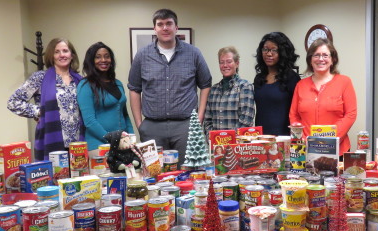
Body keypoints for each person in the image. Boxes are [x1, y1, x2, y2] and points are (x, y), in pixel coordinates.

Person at [128, 8, 212, 169]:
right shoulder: (142, 56)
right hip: (152, 127)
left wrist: (199, 118)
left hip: (185, 127)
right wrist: (140, 124)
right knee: (153, 173)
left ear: (176, 27)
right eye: (160, 24)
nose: (165, 28)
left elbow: (205, 85)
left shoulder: (193, 53)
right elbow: (134, 89)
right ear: (155, 29)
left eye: (169, 24)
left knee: (187, 173)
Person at [8, 38, 83, 161]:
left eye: (65, 51)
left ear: (72, 55)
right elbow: (13, 102)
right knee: (54, 178)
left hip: (77, 144)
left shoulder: (80, 80)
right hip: (51, 142)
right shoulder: (40, 78)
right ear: (51, 56)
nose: (62, 55)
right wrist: (38, 112)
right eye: (57, 52)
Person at [289, 38, 357, 153]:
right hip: (306, 149)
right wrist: (303, 138)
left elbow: (351, 114)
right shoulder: (300, 85)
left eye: (325, 55)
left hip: (337, 149)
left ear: (332, 59)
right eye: (316, 55)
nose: (321, 59)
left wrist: (330, 139)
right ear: (310, 60)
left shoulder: (344, 82)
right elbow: (294, 116)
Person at [77, 42, 134, 157]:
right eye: (98, 57)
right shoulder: (85, 85)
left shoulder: (118, 83)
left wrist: (131, 137)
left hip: (123, 145)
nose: (103, 60)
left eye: (107, 56)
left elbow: (125, 115)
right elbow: (89, 121)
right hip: (99, 146)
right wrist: (111, 140)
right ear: (91, 61)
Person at [253, 32, 300, 136]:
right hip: (261, 138)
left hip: (284, 138)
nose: (269, 54)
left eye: (274, 50)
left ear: (282, 53)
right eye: (265, 49)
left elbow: (297, 112)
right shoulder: (258, 78)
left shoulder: (292, 78)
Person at [203, 46, 255, 134]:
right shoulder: (213, 90)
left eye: (229, 61)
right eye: (221, 62)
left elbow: (246, 121)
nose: (225, 65)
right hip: (216, 145)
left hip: (237, 145)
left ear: (237, 63)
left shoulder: (245, 87)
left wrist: (227, 140)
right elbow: (207, 120)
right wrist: (212, 138)